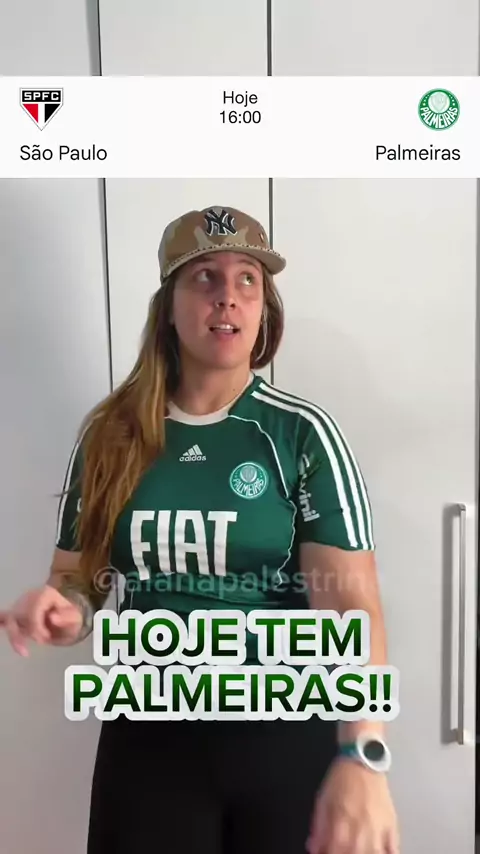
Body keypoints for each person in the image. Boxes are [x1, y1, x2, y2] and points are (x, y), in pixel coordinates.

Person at [0, 205, 399, 854]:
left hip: (282, 732)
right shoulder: (111, 435)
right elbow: (79, 580)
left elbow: (352, 604)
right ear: (169, 305)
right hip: (150, 740)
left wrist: (363, 753)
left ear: (264, 308)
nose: (228, 297)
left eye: (247, 280)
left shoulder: (301, 434)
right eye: (205, 277)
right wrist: (63, 612)